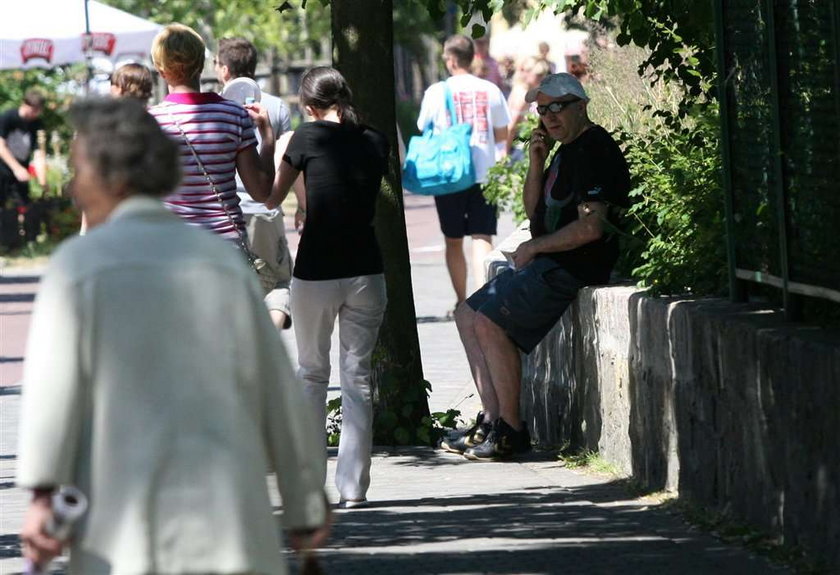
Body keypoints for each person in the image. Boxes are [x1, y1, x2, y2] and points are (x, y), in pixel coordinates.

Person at [17, 97, 330, 574]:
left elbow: (52, 394)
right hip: (230, 522)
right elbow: (275, 390)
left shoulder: (77, 268)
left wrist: (41, 494)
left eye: (79, 171)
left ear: (111, 175)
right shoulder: (221, 264)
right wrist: (304, 499)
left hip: (119, 526)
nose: (72, 188)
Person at [444, 73, 631, 461]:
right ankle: (492, 420)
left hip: (573, 266)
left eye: (557, 107)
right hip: (549, 260)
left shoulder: (595, 150)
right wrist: (536, 161)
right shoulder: (564, 150)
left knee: (489, 323)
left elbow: (592, 227)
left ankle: (512, 431)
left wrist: (535, 246)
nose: (548, 117)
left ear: (581, 105)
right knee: (466, 314)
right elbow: (536, 212)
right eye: (542, 109)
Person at [266, 66, 388, 509]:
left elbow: (268, 197)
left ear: (308, 104)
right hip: (366, 270)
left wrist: (265, 140)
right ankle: (354, 489)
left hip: (317, 270)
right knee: (358, 379)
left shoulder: (304, 138)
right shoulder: (376, 139)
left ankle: (306, 486)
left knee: (312, 375)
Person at [148, 24, 275, 242]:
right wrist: (268, 139)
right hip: (226, 247)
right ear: (201, 64)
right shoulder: (234, 115)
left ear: (161, 71)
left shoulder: (150, 123)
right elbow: (261, 192)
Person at [416, 34, 510, 315]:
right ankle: (483, 299)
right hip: (484, 172)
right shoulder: (489, 90)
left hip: (448, 175)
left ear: (451, 59)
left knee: (453, 239)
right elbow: (502, 132)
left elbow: (423, 127)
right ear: (473, 58)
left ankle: (461, 300)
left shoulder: (436, 92)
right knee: (482, 236)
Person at [215, 36, 296, 330]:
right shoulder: (276, 106)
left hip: (225, 211)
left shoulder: (214, 108)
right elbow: (288, 160)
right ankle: (270, 339)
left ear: (224, 69)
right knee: (277, 281)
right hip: (266, 206)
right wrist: (300, 203)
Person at [0, 89, 46, 208]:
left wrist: (42, 180)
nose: (35, 114)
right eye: (33, 110)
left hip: (22, 167)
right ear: (25, 104)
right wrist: (16, 168)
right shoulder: (8, 117)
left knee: (23, 204)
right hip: (3, 166)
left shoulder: (37, 124)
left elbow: (38, 153)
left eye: (38, 111)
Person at [505, 55, 551, 154]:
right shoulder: (523, 96)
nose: (542, 78)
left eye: (543, 74)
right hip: (519, 149)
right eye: (538, 75)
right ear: (527, 73)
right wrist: (505, 153)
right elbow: (511, 126)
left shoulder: (523, 90)